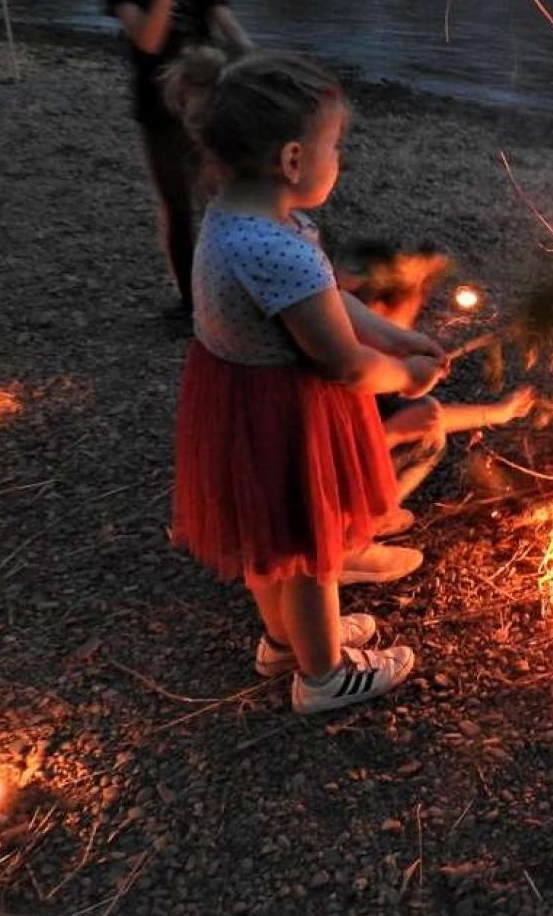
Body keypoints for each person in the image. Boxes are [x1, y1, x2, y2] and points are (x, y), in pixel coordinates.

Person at [166, 48, 443, 714]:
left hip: (237, 403)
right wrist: (404, 374)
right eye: (334, 146)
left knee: (271, 542)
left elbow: (318, 298)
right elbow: (342, 363)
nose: (337, 159)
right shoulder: (276, 247)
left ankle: (284, 640)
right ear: (293, 160)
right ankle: (322, 674)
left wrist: (395, 333)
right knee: (312, 550)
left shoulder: (241, 220)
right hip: (287, 415)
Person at [98, 0, 251, 315]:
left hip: (206, 108)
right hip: (156, 110)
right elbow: (147, 40)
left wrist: (257, 67)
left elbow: (232, 34)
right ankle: (190, 302)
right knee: (176, 206)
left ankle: (234, 293)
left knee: (223, 200)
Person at [336, 239, 536, 513]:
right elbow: (319, 464)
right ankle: (355, 533)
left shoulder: (351, 343)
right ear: (373, 312)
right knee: (428, 440)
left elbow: (429, 417)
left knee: (425, 419)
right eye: (402, 323)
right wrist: (393, 433)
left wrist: (500, 412)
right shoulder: (336, 370)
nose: (407, 332)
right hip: (298, 498)